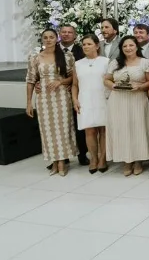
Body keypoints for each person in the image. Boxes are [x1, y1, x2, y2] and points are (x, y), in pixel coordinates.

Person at [26, 28, 78, 176]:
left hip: (61, 97)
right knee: (47, 131)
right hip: (43, 98)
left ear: (57, 39)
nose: (48, 40)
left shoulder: (67, 56)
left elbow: (73, 78)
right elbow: (30, 80)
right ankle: (54, 162)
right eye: (45, 37)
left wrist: (60, 82)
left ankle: (62, 162)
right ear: (42, 40)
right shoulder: (35, 57)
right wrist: (29, 102)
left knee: (62, 129)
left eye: (51, 37)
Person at [103, 36, 149, 176]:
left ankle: (138, 160)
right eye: (125, 46)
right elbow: (106, 80)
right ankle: (126, 161)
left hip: (137, 99)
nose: (128, 48)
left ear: (136, 47)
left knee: (137, 128)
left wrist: (139, 86)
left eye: (131, 45)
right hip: (118, 100)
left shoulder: (146, 62)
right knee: (122, 129)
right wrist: (113, 85)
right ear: (121, 48)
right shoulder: (115, 62)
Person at [72, 34, 110, 174]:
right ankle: (93, 158)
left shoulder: (106, 62)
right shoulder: (77, 64)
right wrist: (75, 99)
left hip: (102, 97)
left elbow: (110, 80)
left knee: (103, 130)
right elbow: (75, 85)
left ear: (97, 45)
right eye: (84, 44)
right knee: (90, 130)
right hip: (85, 99)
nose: (86, 47)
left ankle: (103, 159)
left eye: (89, 44)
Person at [58, 24, 89, 165]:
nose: (66, 34)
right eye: (63, 32)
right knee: (61, 125)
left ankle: (82, 154)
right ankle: (62, 156)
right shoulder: (52, 50)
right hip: (57, 94)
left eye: (69, 32)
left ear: (75, 35)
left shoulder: (81, 50)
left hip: (78, 91)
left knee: (79, 124)